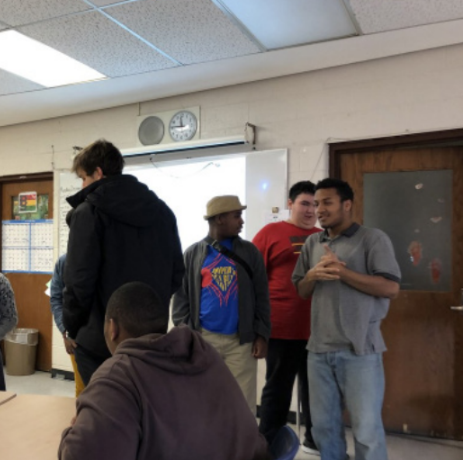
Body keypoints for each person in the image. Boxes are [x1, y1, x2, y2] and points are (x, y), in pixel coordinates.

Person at [59, 282, 269, 460]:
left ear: (112, 328)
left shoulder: (118, 375)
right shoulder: (205, 354)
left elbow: (82, 454)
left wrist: (70, 433)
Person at [292, 178, 400, 460]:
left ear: (347, 204)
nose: (319, 210)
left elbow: (391, 287)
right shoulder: (313, 243)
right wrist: (312, 276)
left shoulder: (372, 239)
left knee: (366, 430)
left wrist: (344, 273)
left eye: (327, 202)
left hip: (360, 351)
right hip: (318, 352)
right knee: (325, 429)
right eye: (316, 204)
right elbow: (301, 290)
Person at [63, 139, 184, 386]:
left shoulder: (88, 213)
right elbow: (176, 273)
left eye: (83, 178)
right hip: (150, 338)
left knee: (103, 412)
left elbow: (79, 281)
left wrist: (72, 327)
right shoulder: (162, 211)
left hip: (100, 339)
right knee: (144, 410)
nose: (83, 185)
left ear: (98, 172)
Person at [172, 195, 270, 414]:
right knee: (204, 400)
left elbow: (262, 294)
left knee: (243, 405)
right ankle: (209, 446)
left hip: (241, 342)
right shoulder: (193, 253)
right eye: (237, 216)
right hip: (205, 339)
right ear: (219, 219)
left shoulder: (249, 252)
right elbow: (181, 300)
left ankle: (243, 448)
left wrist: (262, 334)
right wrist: (187, 334)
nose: (241, 221)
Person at [253, 181, 322, 453]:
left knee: (316, 391)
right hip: (281, 328)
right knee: (278, 390)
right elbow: (253, 278)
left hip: (318, 330)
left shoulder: (322, 236)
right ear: (290, 204)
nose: (311, 210)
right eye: (305, 203)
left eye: (315, 204)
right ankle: (266, 446)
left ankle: (314, 441)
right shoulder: (271, 232)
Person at [50, 254, 84, 396]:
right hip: (77, 337)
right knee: (82, 390)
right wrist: (65, 331)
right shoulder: (64, 262)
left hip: (106, 336)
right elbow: (56, 298)